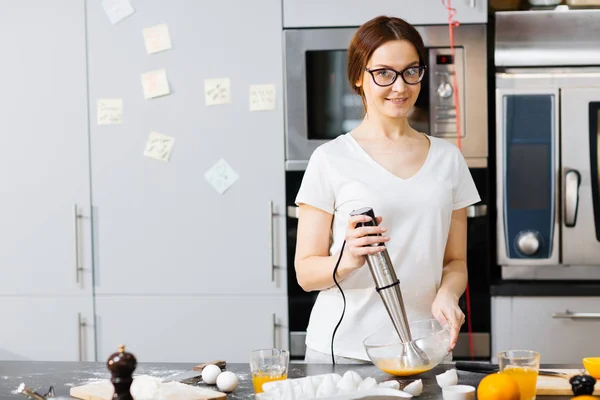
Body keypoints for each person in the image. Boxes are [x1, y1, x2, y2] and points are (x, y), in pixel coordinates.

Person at [294, 15, 481, 364]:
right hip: (344, 350)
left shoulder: (448, 159)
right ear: (357, 77)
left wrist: (447, 295)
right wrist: (347, 260)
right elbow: (305, 274)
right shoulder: (330, 159)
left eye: (411, 71)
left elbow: (455, 262)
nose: (400, 86)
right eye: (384, 73)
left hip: (427, 345)